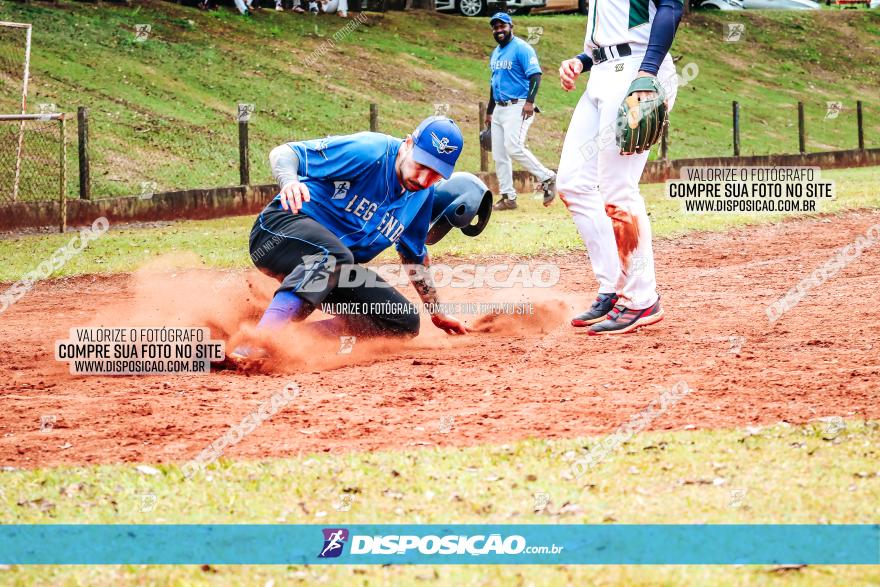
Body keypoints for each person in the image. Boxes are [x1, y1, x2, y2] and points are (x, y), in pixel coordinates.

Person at [231, 117, 494, 361]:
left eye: (436, 174)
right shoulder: (371, 151)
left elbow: (415, 255)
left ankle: (289, 342)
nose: (424, 179)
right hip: (279, 231)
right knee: (334, 255)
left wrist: (436, 312)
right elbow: (285, 153)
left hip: (330, 267)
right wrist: (289, 182)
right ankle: (258, 342)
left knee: (402, 320)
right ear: (409, 144)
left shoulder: (421, 197)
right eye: (421, 165)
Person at [556, 0, 683, 334]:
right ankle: (615, 286)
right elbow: (612, 32)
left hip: (636, 70)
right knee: (572, 184)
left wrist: (648, 71)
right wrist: (581, 61)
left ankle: (642, 299)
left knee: (619, 190)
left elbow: (671, 7)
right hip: (601, 73)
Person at [484, 12, 556, 212]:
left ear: (511, 26)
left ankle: (548, 177)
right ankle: (508, 197)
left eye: (502, 26)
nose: (499, 30)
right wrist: (489, 112)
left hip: (519, 106)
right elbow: (494, 83)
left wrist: (530, 102)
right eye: (495, 27)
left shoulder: (522, 48)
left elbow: (536, 76)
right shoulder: (496, 52)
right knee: (499, 155)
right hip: (499, 107)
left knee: (513, 146)